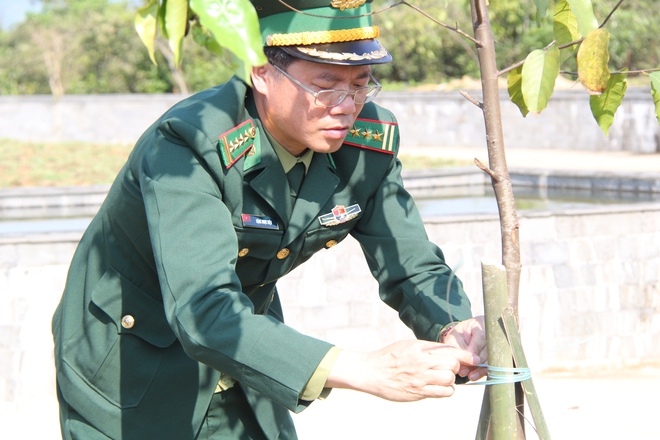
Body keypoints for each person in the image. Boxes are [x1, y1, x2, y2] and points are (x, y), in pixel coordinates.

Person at [52, 1, 487, 438]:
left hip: (252, 355)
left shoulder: (366, 142)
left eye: (361, 84)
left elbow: (410, 260)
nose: (347, 105)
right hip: (133, 363)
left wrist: (454, 325)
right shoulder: (188, 145)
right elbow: (202, 308)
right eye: (326, 84)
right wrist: (366, 370)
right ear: (260, 72)